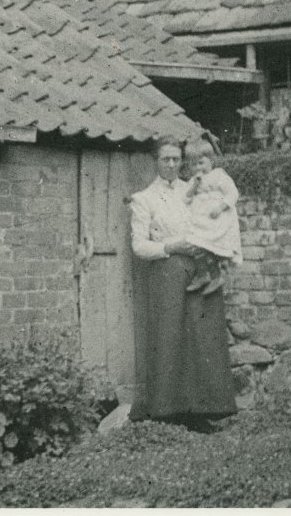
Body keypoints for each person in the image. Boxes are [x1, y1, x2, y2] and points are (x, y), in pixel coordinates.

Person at [127, 136, 238, 431]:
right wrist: (171, 247)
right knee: (169, 338)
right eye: (166, 159)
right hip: (167, 272)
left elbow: (215, 217)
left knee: (203, 339)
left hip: (201, 270)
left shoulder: (194, 188)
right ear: (156, 161)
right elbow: (139, 246)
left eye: (177, 159)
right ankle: (166, 413)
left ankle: (202, 412)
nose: (173, 165)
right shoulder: (144, 199)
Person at [182, 139, 243, 296]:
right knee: (196, 244)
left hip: (216, 218)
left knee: (211, 247)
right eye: (193, 165)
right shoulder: (192, 181)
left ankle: (216, 276)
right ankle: (204, 274)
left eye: (201, 163)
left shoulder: (218, 176)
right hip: (201, 219)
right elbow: (186, 199)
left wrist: (220, 207)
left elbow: (233, 193)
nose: (198, 168)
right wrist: (194, 186)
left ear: (211, 160)